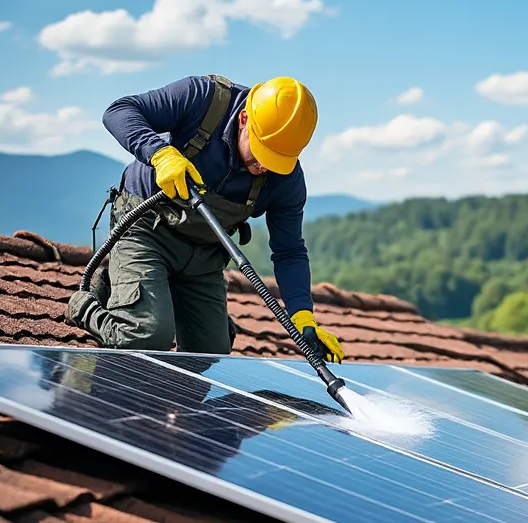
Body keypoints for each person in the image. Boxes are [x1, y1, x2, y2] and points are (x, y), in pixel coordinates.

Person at [65, 73, 344, 363]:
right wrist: (160, 154)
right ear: (244, 119)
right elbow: (118, 111)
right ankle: (86, 305)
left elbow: (289, 252)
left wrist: (302, 316)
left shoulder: (286, 179)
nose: (264, 166)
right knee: (146, 336)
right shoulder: (204, 99)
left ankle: (160, 295)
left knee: (209, 353)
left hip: (206, 251)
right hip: (147, 227)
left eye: (277, 159)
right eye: (262, 152)